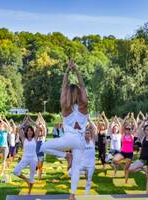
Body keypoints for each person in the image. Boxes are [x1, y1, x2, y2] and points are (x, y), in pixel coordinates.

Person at [40, 59, 88, 200]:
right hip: (80, 141)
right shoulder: (83, 106)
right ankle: (72, 195)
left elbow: (63, 86)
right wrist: (76, 70)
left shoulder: (65, 107)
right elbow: (82, 85)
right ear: (79, 94)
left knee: (43, 146)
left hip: (69, 139)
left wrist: (67, 71)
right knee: (75, 170)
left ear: (67, 94)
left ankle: (66, 156)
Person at [128, 119, 148, 194]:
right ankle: (142, 169)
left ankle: (147, 193)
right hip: (142, 159)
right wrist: (144, 121)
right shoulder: (142, 137)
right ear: (144, 131)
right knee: (130, 169)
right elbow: (138, 129)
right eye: (147, 130)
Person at [13, 121, 39, 195]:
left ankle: (29, 192)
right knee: (15, 171)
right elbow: (18, 129)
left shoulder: (35, 138)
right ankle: (26, 179)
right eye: (28, 131)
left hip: (33, 159)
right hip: (25, 159)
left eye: (31, 131)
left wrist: (31, 121)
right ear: (26, 132)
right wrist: (25, 122)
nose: (29, 132)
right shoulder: (24, 139)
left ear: (32, 132)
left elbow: (38, 127)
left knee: (32, 177)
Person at [113, 113, 137, 182]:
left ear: (130, 130)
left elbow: (136, 126)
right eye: (126, 129)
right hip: (123, 152)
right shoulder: (122, 135)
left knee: (127, 169)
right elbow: (122, 125)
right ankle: (122, 164)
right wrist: (126, 118)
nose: (127, 130)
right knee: (114, 160)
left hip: (130, 154)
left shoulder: (132, 135)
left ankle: (126, 181)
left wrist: (133, 118)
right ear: (125, 129)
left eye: (129, 129)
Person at [35, 113, 47, 180]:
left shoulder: (43, 136)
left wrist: (41, 117)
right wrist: (38, 117)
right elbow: (35, 125)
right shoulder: (35, 136)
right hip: (35, 154)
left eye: (40, 129)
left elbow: (44, 125)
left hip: (41, 154)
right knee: (36, 165)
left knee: (40, 166)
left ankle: (39, 177)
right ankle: (36, 173)